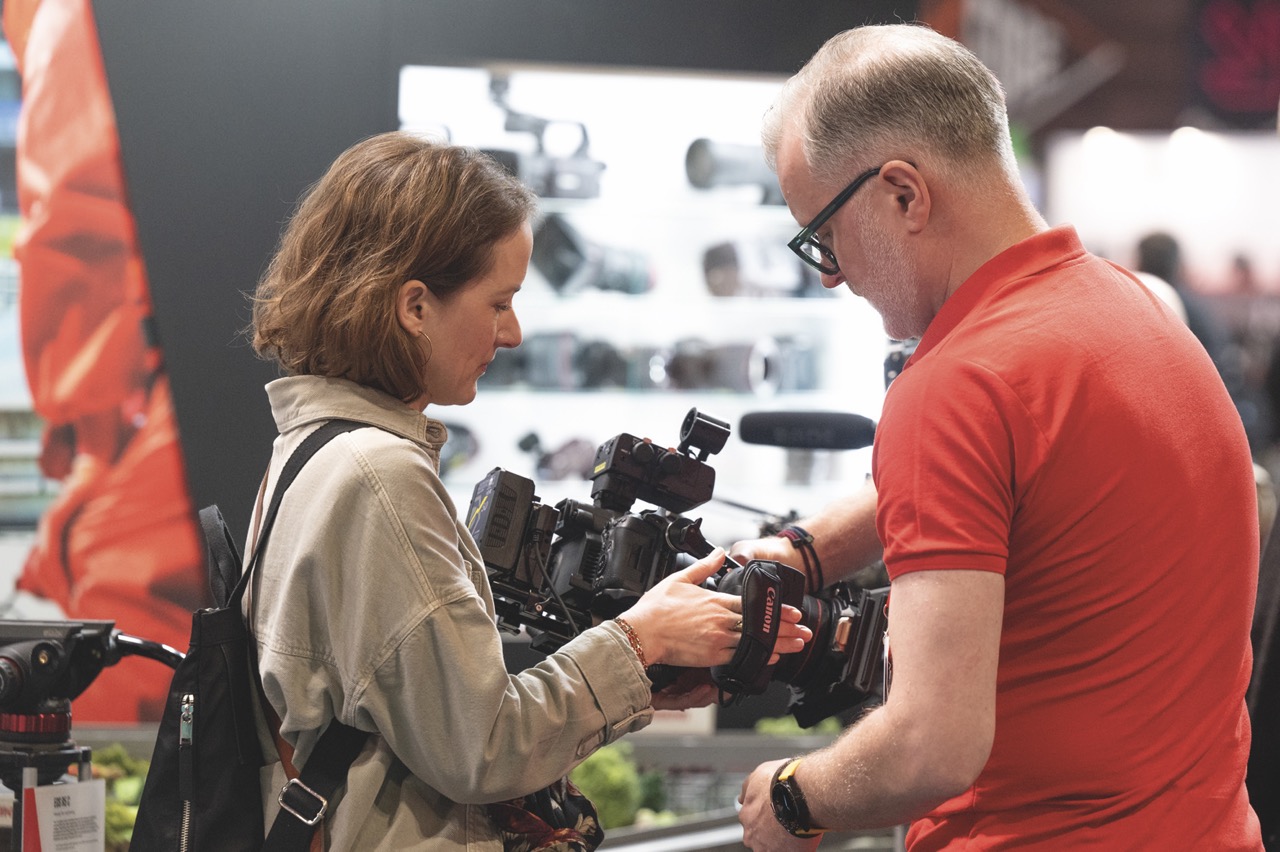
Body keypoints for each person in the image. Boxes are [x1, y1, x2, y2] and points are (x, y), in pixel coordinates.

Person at [731, 23, 1263, 850]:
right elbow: (1005, 472)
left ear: (904, 193)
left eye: (824, 238)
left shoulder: (955, 384)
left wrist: (792, 795)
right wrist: (804, 552)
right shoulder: (1138, 313)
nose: (831, 275)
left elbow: (929, 745)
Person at [245, 131, 811, 850]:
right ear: (415, 306)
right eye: (499, 301)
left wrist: (637, 673)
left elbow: (414, 710)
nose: (513, 332)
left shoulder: (310, 451)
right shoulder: (378, 479)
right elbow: (483, 747)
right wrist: (640, 640)